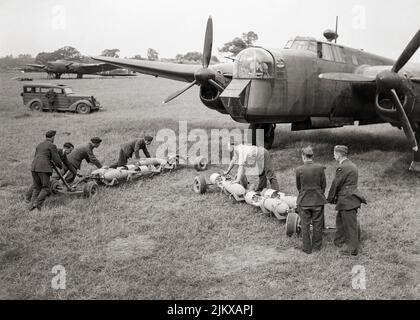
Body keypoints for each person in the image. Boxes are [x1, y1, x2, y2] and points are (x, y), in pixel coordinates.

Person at [327, 145, 367, 256]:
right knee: (340, 221)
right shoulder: (352, 165)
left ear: (339, 155)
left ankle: (353, 250)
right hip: (349, 199)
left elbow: (336, 184)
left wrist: (329, 199)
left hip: (347, 200)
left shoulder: (342, 167)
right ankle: (339, 242)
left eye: (334, 154)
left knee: (350, 226)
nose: (333, 156)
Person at [295, 147, 327, 254]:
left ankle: (307, 248)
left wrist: (304, 193)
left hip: (304, 201)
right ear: (312, 156)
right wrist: (319, 193)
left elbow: (299, 186)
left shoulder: (299, 170)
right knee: (318, 224)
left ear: (303, 156)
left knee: (305, 225)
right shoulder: (320, 168)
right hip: (318, 200)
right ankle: (317, 247)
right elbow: (323, 185)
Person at [26, 130, 63, 211]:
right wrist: (61, 166)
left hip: (34, 167)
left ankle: (31, 207)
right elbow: (56, 159)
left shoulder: (39, 145)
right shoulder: (52, 145)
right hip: (43, 168)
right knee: (46, 188)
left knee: (36, 187)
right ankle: (37, 203)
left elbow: (37, 156)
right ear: (53, 137)